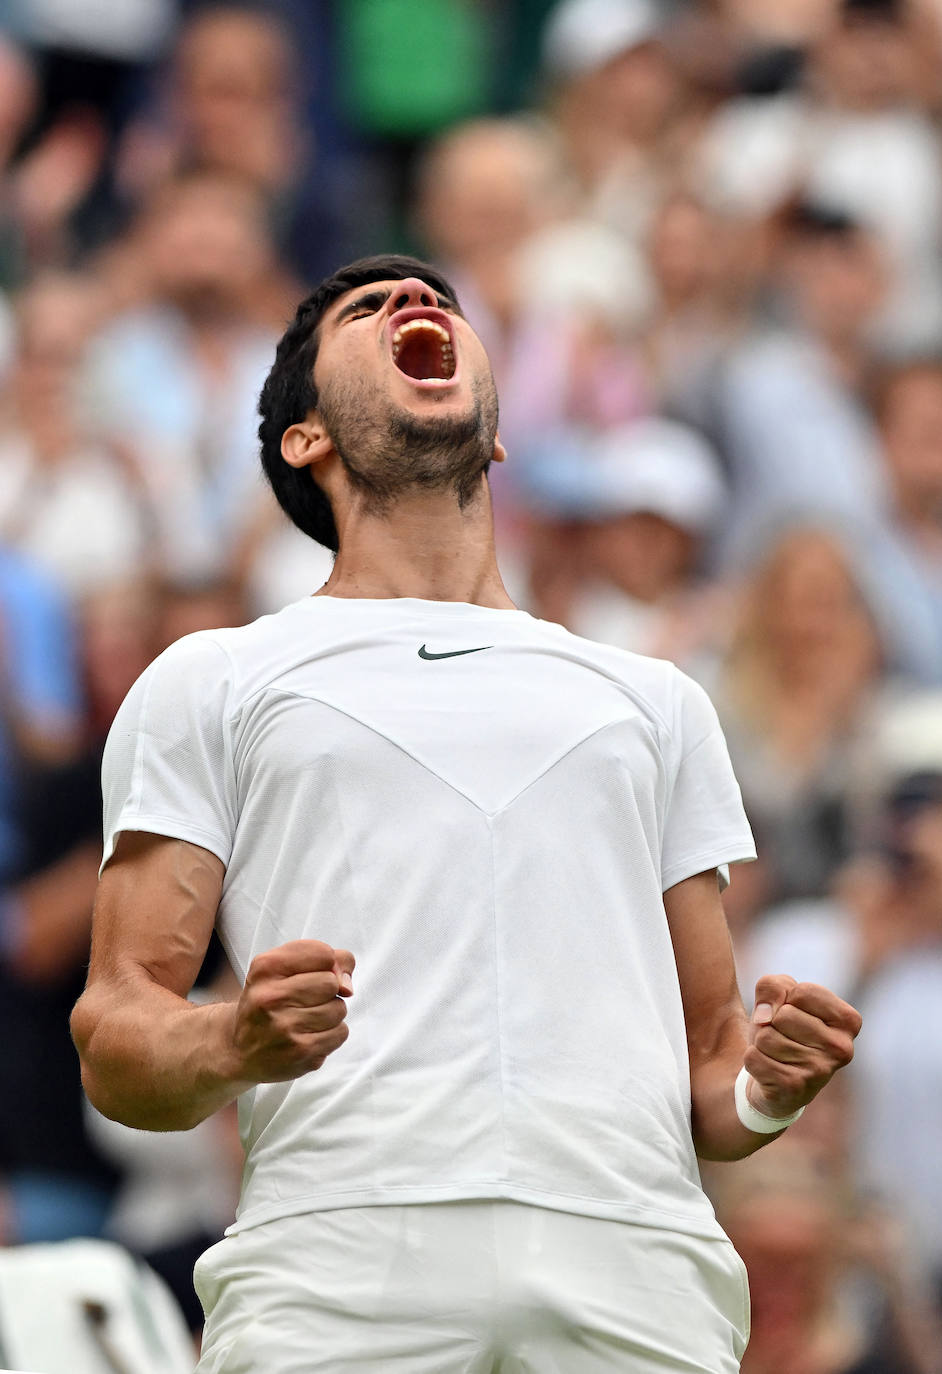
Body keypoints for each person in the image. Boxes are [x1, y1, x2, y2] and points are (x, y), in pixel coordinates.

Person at [71, 254, 862, 1373]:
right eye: (366, 307)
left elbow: (710, 1073)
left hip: (632, 1264)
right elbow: (116, 1045)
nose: (415, 302)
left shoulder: (654, 700)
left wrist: (769, 1088)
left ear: (494, 434)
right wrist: (232, 1037)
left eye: (440, 300)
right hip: (338, 1263)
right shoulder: (213, 679)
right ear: (307, 440)